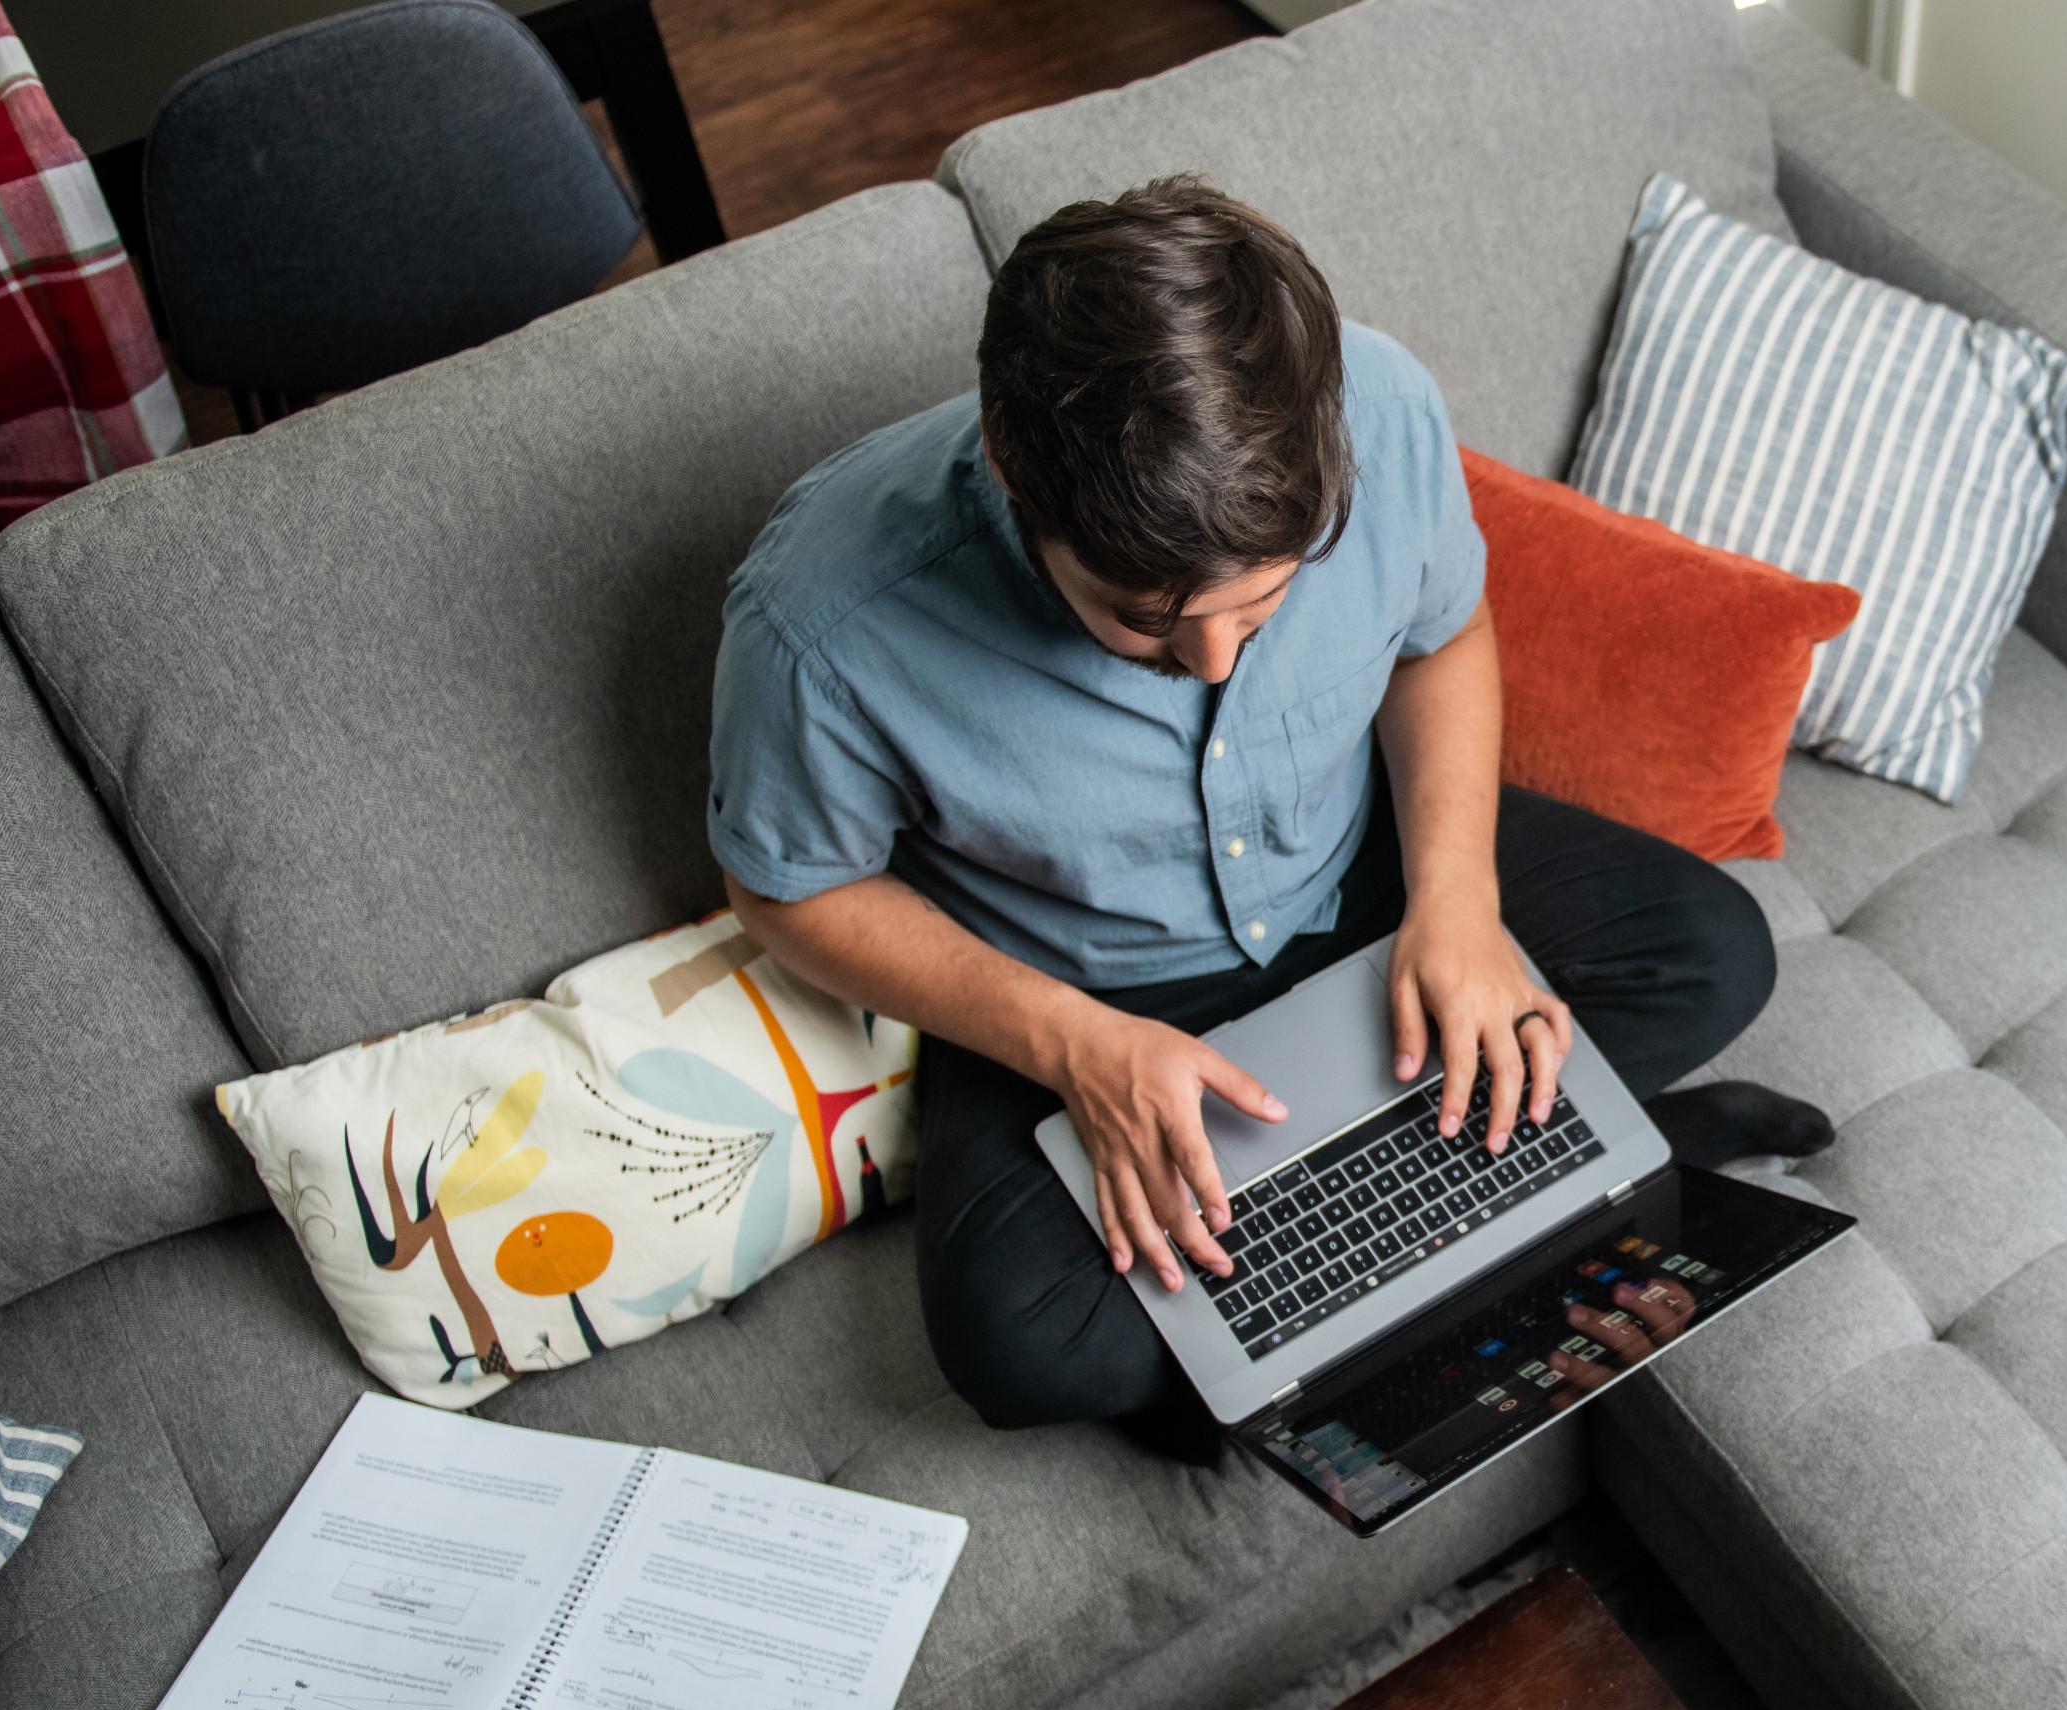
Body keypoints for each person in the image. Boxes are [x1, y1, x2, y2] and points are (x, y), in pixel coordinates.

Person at [707, 177, 1828, 1461]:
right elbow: (789, 886)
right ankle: (1566, 1172)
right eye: (1143, 620)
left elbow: (1442, 633)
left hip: (1359, 866)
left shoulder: (1383, 405)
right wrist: (1077, 1049)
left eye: (1264, 607)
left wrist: (1455, 901)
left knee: (1715, 950)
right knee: (1013, 1343)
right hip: (1089, 989)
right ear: (1015, 471)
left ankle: (1356, 1255)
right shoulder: (821, 619)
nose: (1216, 668)